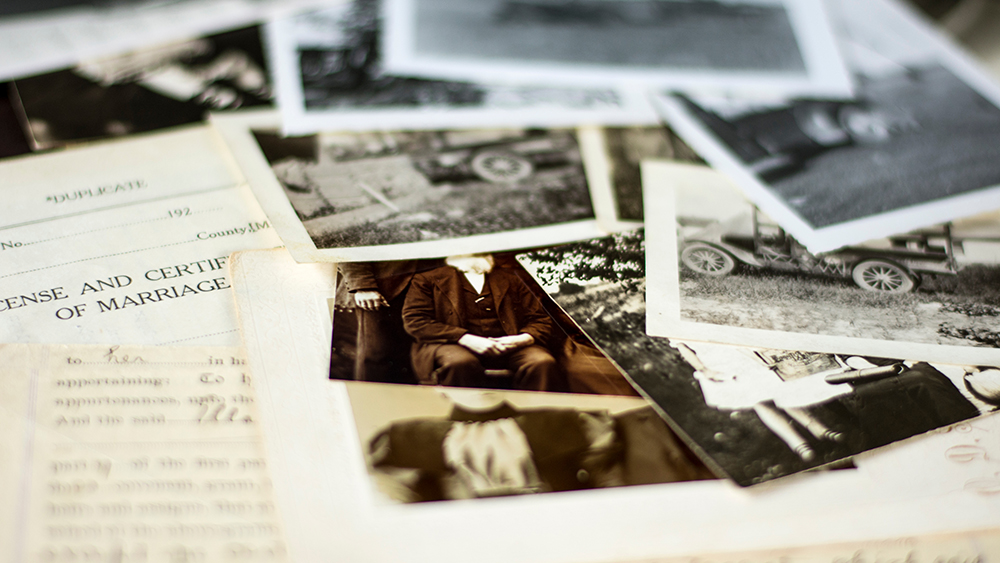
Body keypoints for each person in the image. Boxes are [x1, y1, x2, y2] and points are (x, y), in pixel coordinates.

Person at [401, 254, 562, 390]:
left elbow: (539, 319)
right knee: (459, 363)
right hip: (451, 344)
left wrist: (521, 339)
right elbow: (415, 321)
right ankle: (465, 418)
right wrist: (466, 338)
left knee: (541, 362)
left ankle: (534, 418)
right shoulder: (427, 280)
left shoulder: (512, 279)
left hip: (508, 344)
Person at [335, 260, 441, 383]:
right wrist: (363, 285)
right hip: (380, 289)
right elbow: (349, 246)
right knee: (377, 354)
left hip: (427, 282)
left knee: (417, 356)